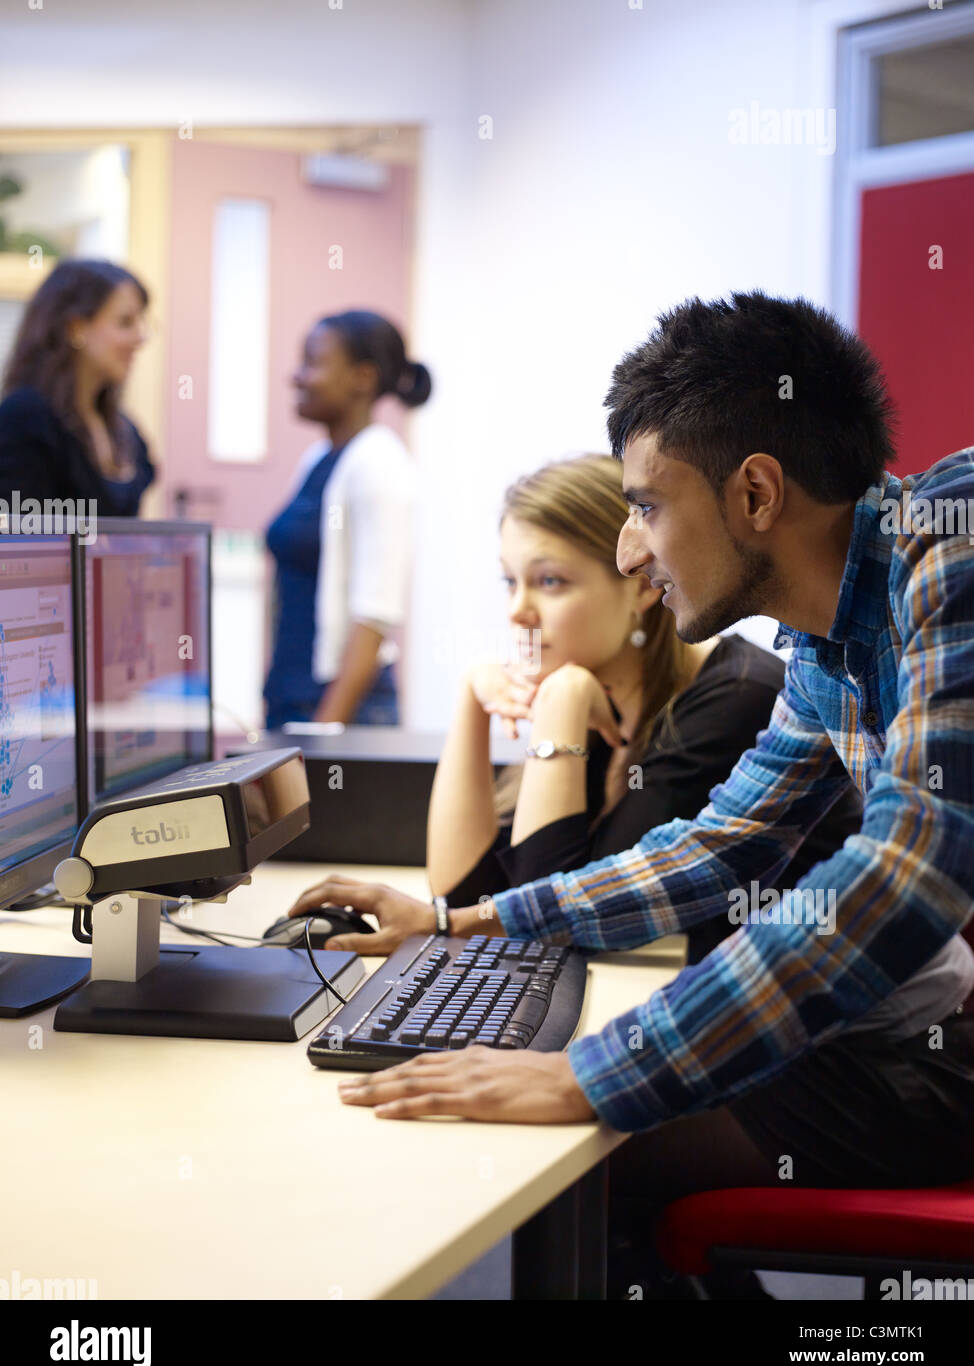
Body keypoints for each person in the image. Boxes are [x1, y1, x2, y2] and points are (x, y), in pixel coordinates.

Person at [289, 292, 974, 1295]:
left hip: (926, 1074)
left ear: (753, 495)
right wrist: (465, 922)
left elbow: (906, 874)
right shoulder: (833, 631)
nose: (629, 549)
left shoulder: (945, 549)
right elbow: (717, 842)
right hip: (897, 1054)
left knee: (544, 1168)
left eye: (646, 505)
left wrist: (589, 1072)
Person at [426, 453, 861, 953]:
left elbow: (555, 933)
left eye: (550, 581)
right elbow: (466, 896)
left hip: (858, 1019)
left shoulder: (735, 700)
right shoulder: (603, 686)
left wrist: (562, 702)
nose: (517, 611)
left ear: (638, 588)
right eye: (510, 580)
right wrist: (470, 703)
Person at [263, 310, 431, 730]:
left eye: (313, 363)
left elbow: (375, 614)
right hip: (293, 696)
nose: (297, 377)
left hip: (341, 709)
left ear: (363, 377)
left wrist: (325, 732)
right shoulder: (319, 459)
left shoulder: (379, 463)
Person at [0, 259, 154, 517]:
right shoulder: (24, 418)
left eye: (141, 322)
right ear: (76, 328)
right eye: (125, 322)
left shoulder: (126, 431)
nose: (140, 337)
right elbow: (17, 546)